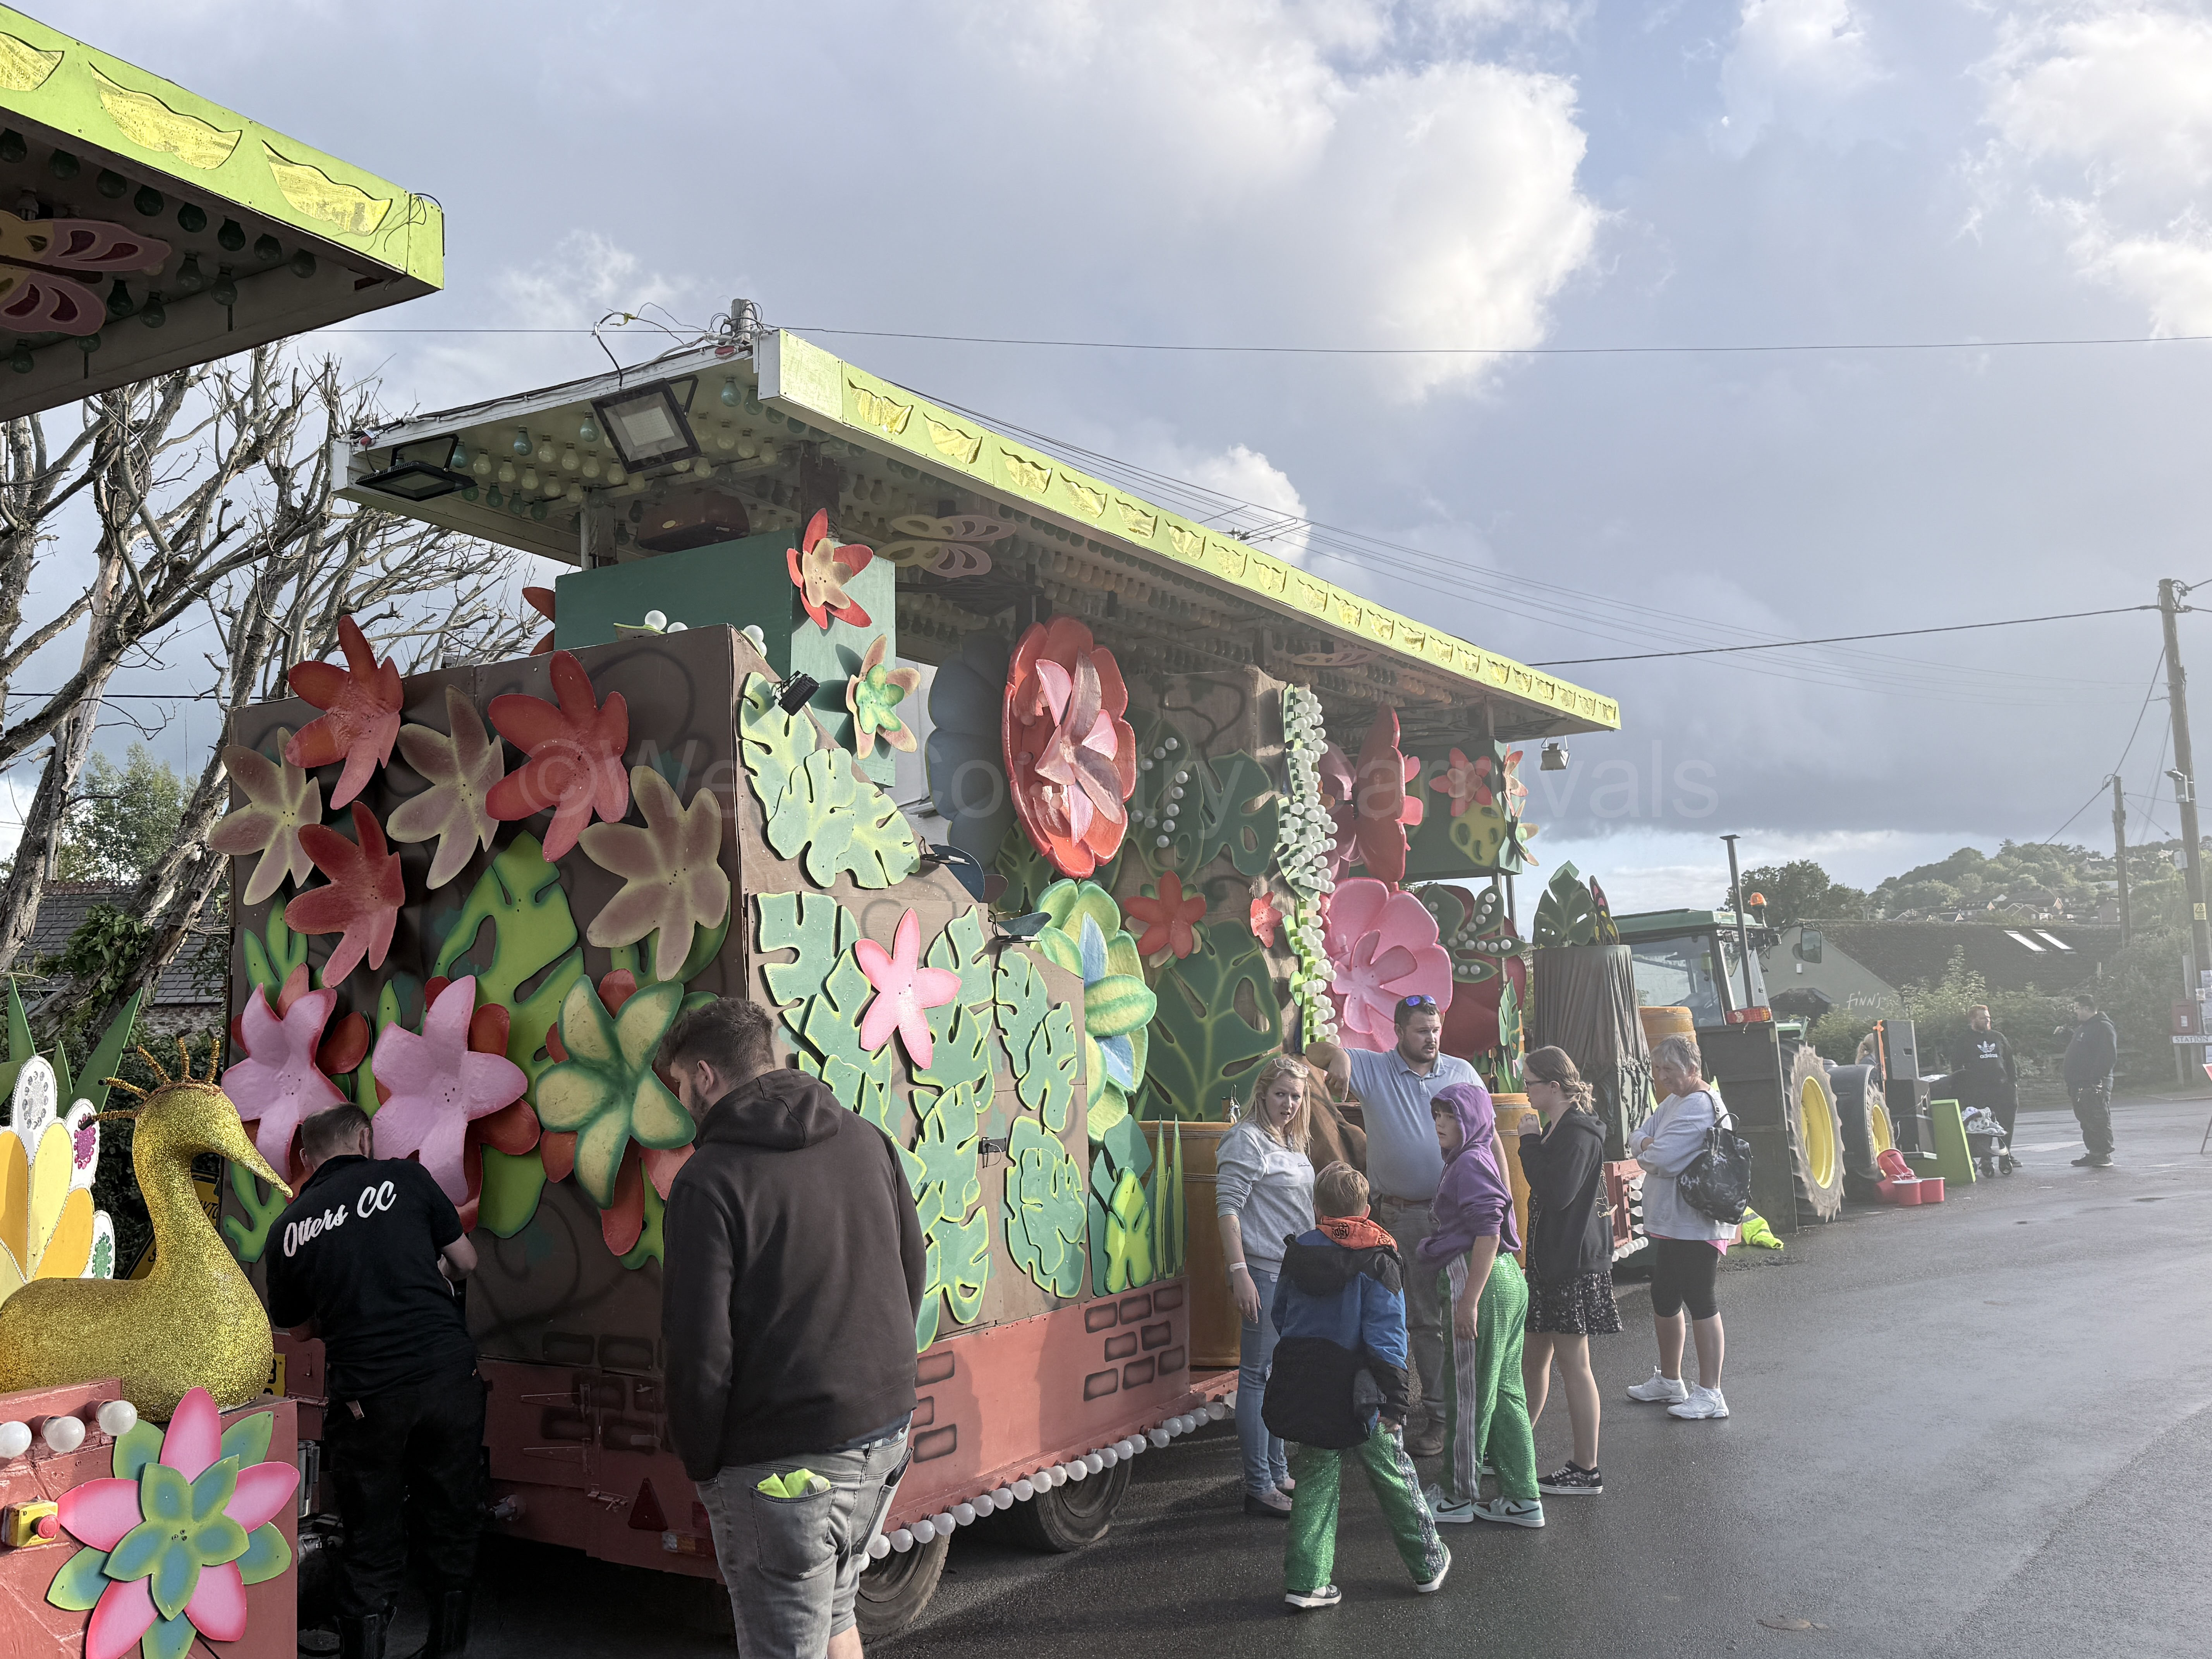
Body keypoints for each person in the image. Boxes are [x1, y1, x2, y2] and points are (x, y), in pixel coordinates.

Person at [659, 998, 928, 1659]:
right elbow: (911, 1267)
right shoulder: (867, 1138)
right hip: (884, 1437)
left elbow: (698, 1350)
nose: (680, 1100)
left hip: (781, 1463)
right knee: (836, 1609)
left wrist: (703, 1463)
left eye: (678, 1084)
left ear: (705, 1075)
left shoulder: (707, 1181)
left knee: (786, 1641)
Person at [263, 1104, 483, 1659]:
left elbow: (300, 1329)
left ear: (307, 1158)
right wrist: (428, 1276)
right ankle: (446, 1649)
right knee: (451, 1515)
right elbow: (466, 1261)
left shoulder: (288, 1228)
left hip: (369, 1397)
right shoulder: (407, 1179)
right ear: (365, 1140)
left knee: (370, 1534)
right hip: (448, 1379)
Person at [1265, 1161, 1451, 1611]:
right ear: (1366, 1210)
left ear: (1317, 1209)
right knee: (1393, 1474)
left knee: (1315, 1475)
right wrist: (1396, 1402)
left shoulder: (1298, 1252)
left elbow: (1281, 1314)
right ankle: (1428, 1564)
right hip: (1362, 1393)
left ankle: (1307, 1582)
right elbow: (1387, 1336)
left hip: (1307, 1382)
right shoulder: (1378, 1257)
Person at [1309, 995, 1482, 1455]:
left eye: (1436, 1030)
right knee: (1423, 1321)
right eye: (1422, 1031)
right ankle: (1439, 1420)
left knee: (1467, 1316)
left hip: (1460, 1215)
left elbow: (1487, 1139)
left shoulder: (1462, 1072)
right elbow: (1312, 1052)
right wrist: (1340, 1056)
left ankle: (1472, 1419)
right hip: (1404, 1216)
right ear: (1399, 1032)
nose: (1432, 1039)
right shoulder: (1375, 1068)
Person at [1415, 1082, 1542, 1528]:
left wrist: (1468, 1301)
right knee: (1505, 1394)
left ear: (1472, 1119)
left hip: (1478, 1280)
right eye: (1437, 1115)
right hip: (1505, 1279)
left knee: (1468, 1394)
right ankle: (1523, 1497)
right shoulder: (1477, 1156)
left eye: (1450, 1115)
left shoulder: (1469, 1162)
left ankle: (1457, 1495)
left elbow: (1488, 1231)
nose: (1440, 1124)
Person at [1214, 1054, 1317, 1518]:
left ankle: (1277, 1471)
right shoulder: (1247, 1140)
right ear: (1262, 1092)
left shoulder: (1290, 1139)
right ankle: (1259, 1485)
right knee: (1256, 1376)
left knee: (1277, 1376)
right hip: (1262, 1272)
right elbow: (1228, 1209)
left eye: (1296, 1096)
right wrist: (1239, 1271)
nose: (1289, 1104)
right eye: (1281, 1094)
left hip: (1291, 1273)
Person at [1516, 1046, 1620, 1496]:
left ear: (1554, 1086)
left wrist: (1528, 1143)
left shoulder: (1577, 1131)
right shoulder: (1562, 1126)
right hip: (1552, 1261)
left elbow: (1557, 1192)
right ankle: (1514, 1446)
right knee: (1534, 1358)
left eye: (1530, 1083)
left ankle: (1586, 1468)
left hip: (1570, 1263)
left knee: (1574, 1364)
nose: (1525, 1091)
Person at [1625, 1034, 1735, 1422]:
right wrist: (1647, 1144)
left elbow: (1660, 1158)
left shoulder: (1700, 1105)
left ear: (1693, 1068)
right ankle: (1671, 1381)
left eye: (1669, 1069)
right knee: (1665, 1295)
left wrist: (1647, 1145)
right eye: (1658, 1069)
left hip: (1698, 1221)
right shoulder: (1675, 1101)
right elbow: (1637, 1137)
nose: (1662, 1077)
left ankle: (1712, 1393)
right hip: (1676, 1221)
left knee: (1700, 1299)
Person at [1955, 1005, 2020, 1173]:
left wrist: (2013, 1083)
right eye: (1983, 1018)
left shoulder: (1998, 1037)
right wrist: (1964, 1088)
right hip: (1978, 1091)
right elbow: (1956, 1066)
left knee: (2006, 1124)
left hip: (2002, 1088)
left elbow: (2009, 1060)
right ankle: (1986, 1159)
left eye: (1988, 1018)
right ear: (1973, 1020)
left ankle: (2006, 1156)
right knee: (1984, 1126)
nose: (1987, 1020)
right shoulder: (1964, 1040)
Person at [2060, 992, 2118, 1168]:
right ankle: (2094, 1153)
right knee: (2086, 1120)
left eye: (2077, 1008)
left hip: (2093, 1084)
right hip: (2079, 1083)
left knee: (2098, 1119)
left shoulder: (2103, 1027)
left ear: (2087, 1008)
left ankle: (2104, 1154)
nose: (2075, 1012)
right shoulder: (2085, 1028)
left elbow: (2108, 1056)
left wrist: (2095, 1079)